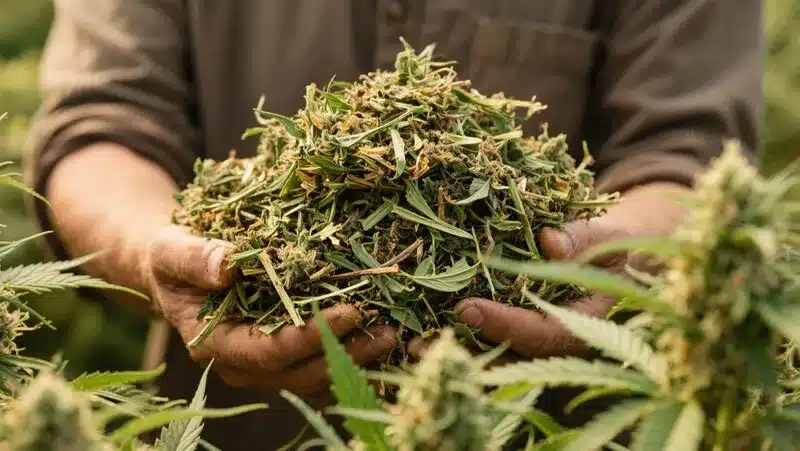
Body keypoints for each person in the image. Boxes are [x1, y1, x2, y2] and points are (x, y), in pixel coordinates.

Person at [24, 0, 762, 449]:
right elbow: (100, 126)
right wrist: (156, 248)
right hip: (243, 421)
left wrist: (604, 254)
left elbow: (687, 157)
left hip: (542, 421)